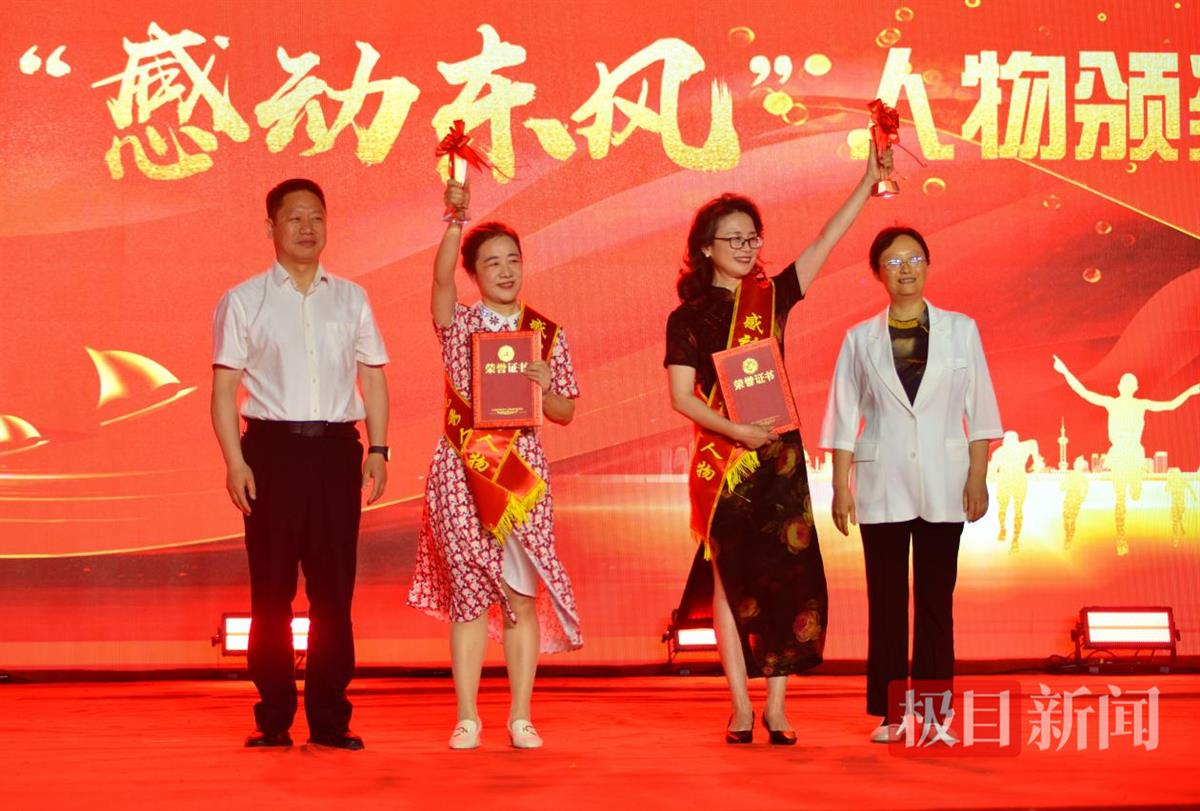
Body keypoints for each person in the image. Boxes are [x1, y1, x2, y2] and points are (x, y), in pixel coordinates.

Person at [664, 142, 893, 745]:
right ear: (705, 247)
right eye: (733, 238)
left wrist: (867, 182)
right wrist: (737, 431)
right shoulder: (687, 318)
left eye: (753, 237)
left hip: (781, 462)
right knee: (729, 581)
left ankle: (777, 707)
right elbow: (682, 397)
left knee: (786, 581)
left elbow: (825, 240)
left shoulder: (771, 298)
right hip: (729, 463)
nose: (746, 247)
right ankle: (740, 704)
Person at [211, 178, 390, 750]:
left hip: (337, 451)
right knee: (271, 593)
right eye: (295, 218)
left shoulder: (352, 298)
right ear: (271, 228)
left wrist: (379, 448)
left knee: (334, 594)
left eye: (316, 216)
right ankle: (274, 717)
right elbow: (223, 390)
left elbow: (373, 378)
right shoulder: (244, 300)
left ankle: (331, 719)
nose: (307, 228)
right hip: (271, 453)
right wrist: (235, 462)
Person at [407, 177, 582, 751]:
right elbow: (438, 282)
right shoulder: (460, 324)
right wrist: (453, 221)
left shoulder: (546, 333)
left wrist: (544, 386)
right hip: (461, 470)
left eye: (513, 260)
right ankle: (466, 717)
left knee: (521, 596)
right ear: (474, 273)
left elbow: (565, 411)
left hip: (521, 476)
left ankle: (521, 716)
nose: (506, 271)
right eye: (492, 263)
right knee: (469, 594)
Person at [820, 225, 1002, 743]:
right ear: (877, 272)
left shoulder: (961, 330)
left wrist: (977, 476)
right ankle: (893, 712)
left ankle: (936, 714)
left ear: (928, 265)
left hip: (946, 480)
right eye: (894, 262)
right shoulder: (859, 339)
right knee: (887, 601)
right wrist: (840, 486)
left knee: (936, 600)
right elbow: (842, 416)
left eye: (915, 259)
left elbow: (981, 412)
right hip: (882, 480)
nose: (906, 269)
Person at [1051, 358, 1200, 554]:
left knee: (1131, 495)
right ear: (1123, 387)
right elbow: (1084, 393)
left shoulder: (1135, 404)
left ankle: (1133, 493)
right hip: (1121, 454)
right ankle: (1121, 538)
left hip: (1133, 454)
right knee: (1121, 498)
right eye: (1126, 383)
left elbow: (1170, 405)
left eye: (1130, 384)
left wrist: (1190, 391)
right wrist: (1065, 371)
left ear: (1130, 387)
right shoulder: (1116, 403)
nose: (1128, 386)